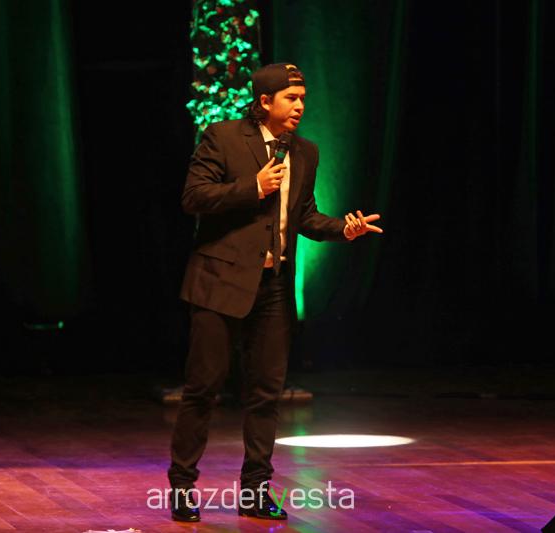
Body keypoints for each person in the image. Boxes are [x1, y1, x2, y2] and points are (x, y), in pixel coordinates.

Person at [167, 63, 382, 522]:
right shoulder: (223, 137)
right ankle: (182, 487)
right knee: (203, 388)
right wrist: (253, 186)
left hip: (273, 287)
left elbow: (305, 216)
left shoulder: (305, 151)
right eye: (291, 98)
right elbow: (193, 197)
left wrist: (343, 229)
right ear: (265, 101)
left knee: (266, 393)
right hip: (220, 282)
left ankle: (255, 491)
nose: (300, 106)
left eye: (303, 99)